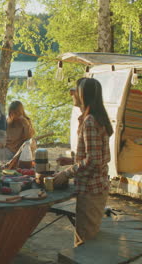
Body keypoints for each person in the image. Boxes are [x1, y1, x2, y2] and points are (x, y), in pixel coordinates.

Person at [53, 78, 113, 247]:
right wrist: (72, 161)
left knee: (85, 243)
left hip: (91, 190)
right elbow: (95, 156)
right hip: (96, 187)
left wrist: (66, 173)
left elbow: (93, 161)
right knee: (88, 240)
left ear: (83, 95)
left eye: (75, 91)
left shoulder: (90, 122)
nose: (72, 94)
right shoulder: (94, 118)